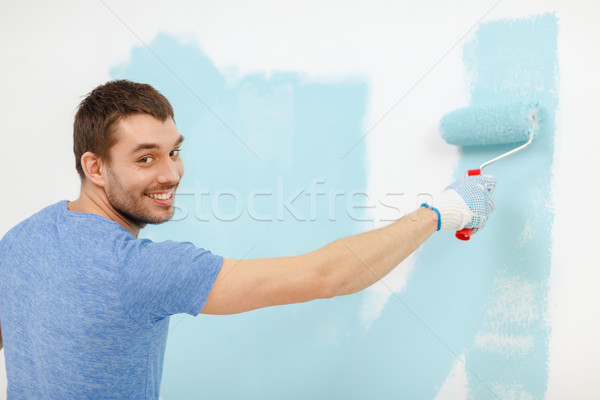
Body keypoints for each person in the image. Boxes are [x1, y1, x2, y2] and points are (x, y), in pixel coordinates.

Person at [0, 80, 496, 399]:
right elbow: (327, 276)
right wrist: (444, 211)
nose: (172, 173)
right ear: (95, 167)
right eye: (146, 158)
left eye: (174, 151)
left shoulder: (19, 240)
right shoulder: (140, 270)